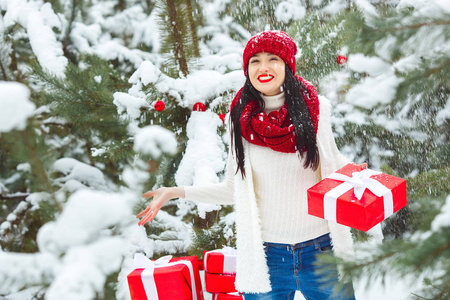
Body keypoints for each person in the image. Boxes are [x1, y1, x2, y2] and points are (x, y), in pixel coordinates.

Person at [137, 30, 357, 300]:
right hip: (267, 257)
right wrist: (176, 191)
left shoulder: (316, 110)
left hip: (322, 251)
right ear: (247, 69)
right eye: (255, 61)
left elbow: (335, 164)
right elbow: (233, 188)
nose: (263, 67)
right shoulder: (240, 120)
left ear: (287, 65)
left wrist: (364, 178)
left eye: (273, 58)